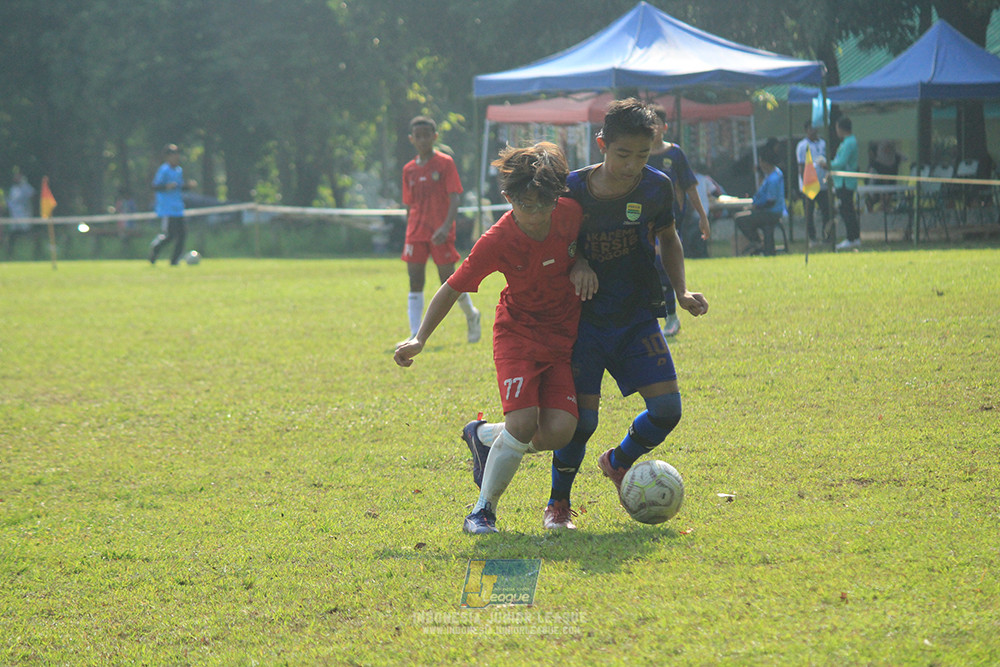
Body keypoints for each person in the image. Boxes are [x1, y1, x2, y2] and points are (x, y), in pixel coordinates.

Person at [467, 100, 709, 529]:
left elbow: (669, 238)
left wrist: (682, 290)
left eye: (643, 154)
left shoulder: (656, 186)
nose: (633, 164)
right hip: (583, 321)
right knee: (581, 423)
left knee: (668, 409)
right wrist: (578, 262)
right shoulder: (571, 189)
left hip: (635, 316)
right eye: (623, 154)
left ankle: (618, 462)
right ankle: (557, 504)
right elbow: (550, 235)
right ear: (602, 145)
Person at [394, 142, 596, 535]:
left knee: (559, 431)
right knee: (522, 423)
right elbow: (452, 287)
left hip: (562, 339)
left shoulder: (571, 214)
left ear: (558, 197)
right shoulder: (497, 240)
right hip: (518, 334)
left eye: (544, 205)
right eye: (526, 206)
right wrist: (420, 339)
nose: (536, 216)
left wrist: (584, 262)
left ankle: (482, 435)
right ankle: (482, 511)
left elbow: (585, 247)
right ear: (508, 198)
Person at [401, 116, 481, 344]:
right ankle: (415, 334)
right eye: (418, 136)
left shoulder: (445, 163)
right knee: (415, 280)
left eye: (427, 135)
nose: (423, 139)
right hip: (416, 233)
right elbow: (409, 205)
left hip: (440, 231)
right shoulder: (408, 170)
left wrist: (446, 227)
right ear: (412, 139)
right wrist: (409, 231)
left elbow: (454, 198)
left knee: (449, 280)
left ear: (434, 137)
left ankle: (472, 315)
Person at [646, 104, 711, 337]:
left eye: (656, 123)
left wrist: (703, 217)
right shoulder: (638, 153)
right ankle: (652, 320)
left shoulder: (674, 154)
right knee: (646, 270)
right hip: (642, 223)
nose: (652, 128)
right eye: (648, 123)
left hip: (668, 223)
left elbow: (690, 187)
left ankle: (671, 318)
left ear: (664, 127)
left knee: (664, 266)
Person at [149, 144, 196, 265]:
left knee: (182, 235)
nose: (176, 157)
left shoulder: (178, 170)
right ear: (168, 157)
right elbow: (155, 186)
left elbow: (178, 187)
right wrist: (166, 186)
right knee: (170, 235)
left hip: (178, 208)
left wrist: (188, 186)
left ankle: (174, 261)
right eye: (174, 154)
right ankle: (156, 247)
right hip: (167, 208)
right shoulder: (164, 170)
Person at [735, 147, 788, 256]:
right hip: (769, 211)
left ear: (765, 163)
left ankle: (758, 242)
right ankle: (764, 244)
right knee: (749, 218)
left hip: (771, 212)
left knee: (740, 219)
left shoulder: (773, 179)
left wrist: (754, 208)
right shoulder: (772, 175)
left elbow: (770, 201)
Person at [796, 121, 832, 244]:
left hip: (822, 184)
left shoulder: (823, 143)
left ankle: (826, 235)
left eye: (815, 128)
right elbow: (801, 165)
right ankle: (812, 237)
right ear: (806, 130)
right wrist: (805, 182)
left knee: (826, 211)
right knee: (809, 213)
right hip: (809, 184)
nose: (813, 131)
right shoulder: (802, 146)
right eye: (810, 129)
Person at [829, 117, 860, 251]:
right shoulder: (848, 142)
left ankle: (852, 238)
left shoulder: (849, 143)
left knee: (847, 210)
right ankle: (853, 237)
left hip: (845, 182)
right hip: (843, 182)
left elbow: (841, 163)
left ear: (841, 128)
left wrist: (827, 164)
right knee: (847, 210)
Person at [4, 172, 35, 258]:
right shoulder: (13, 189)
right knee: (13, 236)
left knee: (26, 234)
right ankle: (10, 255)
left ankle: (32, 253)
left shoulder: (26, 187)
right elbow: (10, 202)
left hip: (24, 216)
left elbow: (31, 196)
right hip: (14, 217)